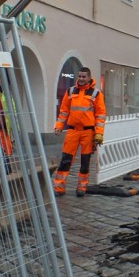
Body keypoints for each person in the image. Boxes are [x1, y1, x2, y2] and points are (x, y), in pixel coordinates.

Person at [53, 67, 106, 197]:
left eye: (84, 77)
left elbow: (100, 115)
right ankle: (59, 187)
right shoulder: (70, 91)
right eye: (80, 76)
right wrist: (59, 125)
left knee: (85, 161)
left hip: (88, 132)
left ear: (89, 77)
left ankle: (82, 187)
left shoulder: (96, 94)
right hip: (72, 130)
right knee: (66, 159)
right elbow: (64, 110)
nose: (81, 79)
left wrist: (99, 133)